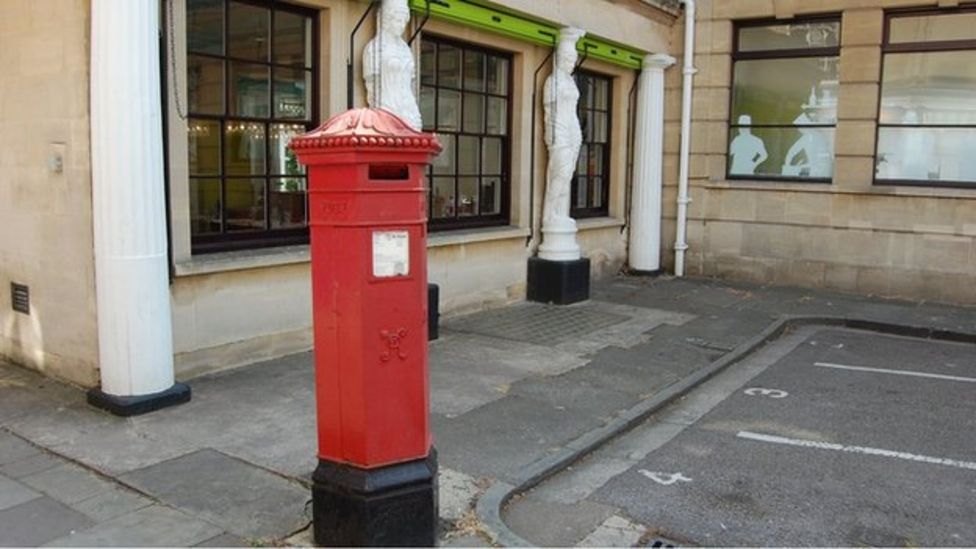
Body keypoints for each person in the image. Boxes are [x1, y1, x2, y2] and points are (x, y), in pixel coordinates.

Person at [362, 0, 422, 130]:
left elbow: (410, 85)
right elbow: (372, 88)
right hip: (386, 109)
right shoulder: (374, 49)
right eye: (397, 21)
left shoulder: (406, 50)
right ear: (387, 20)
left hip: (409, 111)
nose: (401, 26)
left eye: (403, 21)